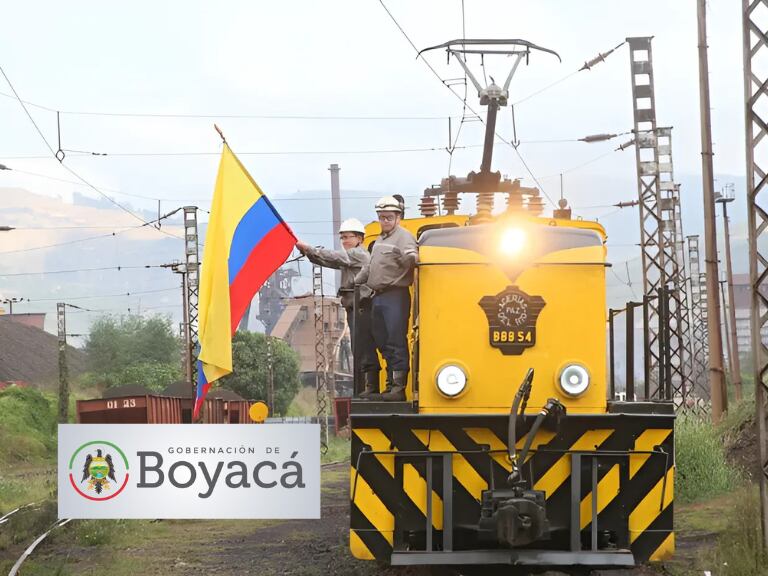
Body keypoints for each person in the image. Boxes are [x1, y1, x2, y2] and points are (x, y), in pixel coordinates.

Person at [295, 219, 380, 398]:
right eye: (342, 238)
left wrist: (309, 249)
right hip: (354, 307)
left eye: (348, 237)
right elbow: (330, 262)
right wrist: (309, 253)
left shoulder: (358, 254)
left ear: (359, 238)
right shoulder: (350, 257)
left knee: (364, 346)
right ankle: (367, 387)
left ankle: (371, 387)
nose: (344, 241)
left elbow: (334, 257)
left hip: (362, 306)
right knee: (359, 347)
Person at [354, 196, 418, 401]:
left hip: (395, 295)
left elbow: (412, 257)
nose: (385, 221)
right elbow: (372, 265)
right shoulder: (380, 240)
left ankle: (398, 388)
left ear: (398, 217)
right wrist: (358, 280)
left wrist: (410, 259)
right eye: (382, 218)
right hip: (378, 297)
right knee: (382, 340)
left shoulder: (404, 237)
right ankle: (390, 385)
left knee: (395, 339)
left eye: (389, 217)